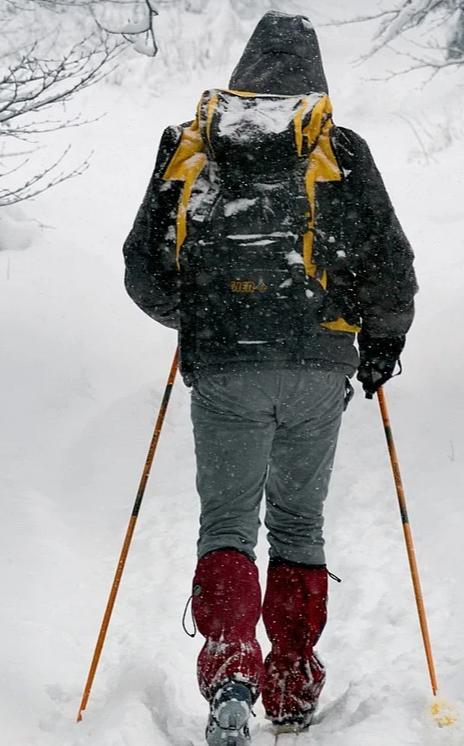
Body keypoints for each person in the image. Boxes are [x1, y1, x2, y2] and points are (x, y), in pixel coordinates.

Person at [121, 11, 417, 745]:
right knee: (297, 522)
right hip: (320, 364)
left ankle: (229, 675)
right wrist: (381, 344)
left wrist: (195, 317)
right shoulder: (339, 149)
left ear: (242, 75)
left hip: (225, 367)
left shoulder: (192, 149)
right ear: (314, 83)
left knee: (225, 524)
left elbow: (142, 266)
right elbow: (391, 263)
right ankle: (289, 681)